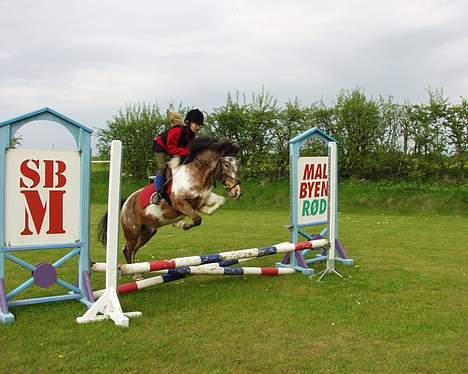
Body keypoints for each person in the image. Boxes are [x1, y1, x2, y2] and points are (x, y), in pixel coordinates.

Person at [151, 108, 204, 204]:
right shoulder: (178, 131)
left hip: (171, 148)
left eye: (200, 125)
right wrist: (188, 151)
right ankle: (157, 193)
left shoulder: (191, 135)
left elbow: (188, 150)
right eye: (196, 124)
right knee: (162, 167)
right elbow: (172, 149)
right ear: (188, 122)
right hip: (160, 145)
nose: (198, 127)